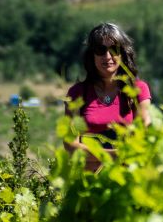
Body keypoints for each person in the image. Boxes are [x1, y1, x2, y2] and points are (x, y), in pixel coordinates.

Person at [65, 22, 152, 169]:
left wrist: (92, 154)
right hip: (88, 184)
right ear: (92, 55)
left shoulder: (137, 90)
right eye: (100, 50)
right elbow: (71, 147)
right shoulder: (77, 94)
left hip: (126, 182)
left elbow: (143, 140)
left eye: (114, 49)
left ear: (123, 53)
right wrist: (117, 154)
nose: (107, 56)